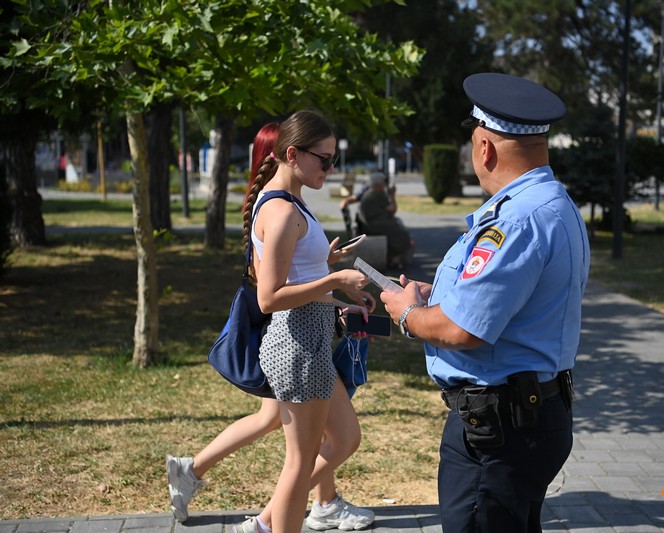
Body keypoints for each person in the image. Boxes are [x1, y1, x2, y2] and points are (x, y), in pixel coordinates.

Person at [379, 73, 591, 533]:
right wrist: (435, 296)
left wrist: (408, 315)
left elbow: (463, 330)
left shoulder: (516, 220)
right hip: (527, 416)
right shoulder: (554, 205)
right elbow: (506, 301)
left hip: (498, 431)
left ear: (485, 149)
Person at [168, 112, 376, 533]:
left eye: (334, 159)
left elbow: (293, 276)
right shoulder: (281, 209)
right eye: (325, 159)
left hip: (309, 341)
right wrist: (335, 278)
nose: (330, 169)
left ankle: (264, 522)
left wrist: (334, 290)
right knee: (299, 467)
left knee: (344, 439)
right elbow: (269, 298)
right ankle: (266, 524)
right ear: (293, 154)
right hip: (299, 348)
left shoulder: (287, 200)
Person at [357, 172, 413, 269]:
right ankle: (395, 259)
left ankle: (393, 258)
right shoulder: (377, 194)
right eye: (384, 182)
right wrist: (392, 195)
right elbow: (393, 209)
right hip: (374, 226)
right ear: (378, 184)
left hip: (369, 224)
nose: (385, 184)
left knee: (397, 225)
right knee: (401, 233)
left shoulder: (369, 193)